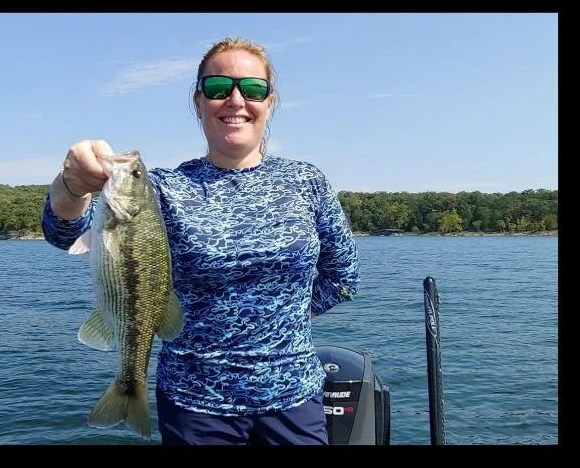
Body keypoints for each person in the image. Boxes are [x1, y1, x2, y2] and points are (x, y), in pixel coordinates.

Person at [41, 36, 360, 445]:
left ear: (270, 102)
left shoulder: (306, 181)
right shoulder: (163, 189)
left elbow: (342, 277)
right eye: (217, 88)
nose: (235, 99)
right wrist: (71, 184)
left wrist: (281, 325)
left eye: (253, 89)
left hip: (294, 396)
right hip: (195, 405)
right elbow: (62, 230)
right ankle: (129, 388)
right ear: (197, 103)